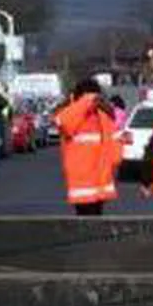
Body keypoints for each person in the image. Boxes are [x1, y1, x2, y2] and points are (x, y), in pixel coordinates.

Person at [53, 78, 121, 215]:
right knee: (90, 221)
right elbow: (63, 122)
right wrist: (87, 101)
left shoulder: (99, 116)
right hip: (89, 183)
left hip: (93, 182)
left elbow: (114, 147)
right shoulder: (77, 114)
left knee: (90, 222)